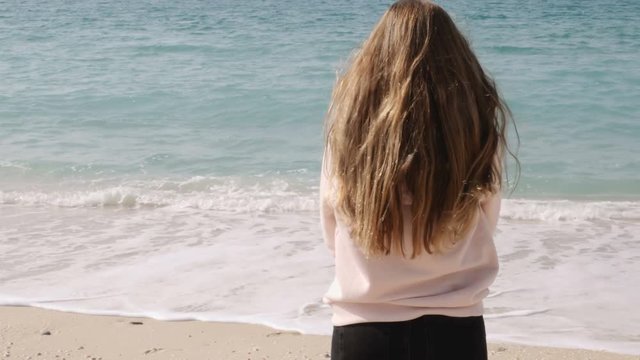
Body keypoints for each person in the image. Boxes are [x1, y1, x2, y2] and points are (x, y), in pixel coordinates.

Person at [320, 1, 517, 359]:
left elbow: (333, 228)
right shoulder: (476, 132)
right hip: (456, 328)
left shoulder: (350, 133)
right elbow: (486, 221)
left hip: (364, 326)